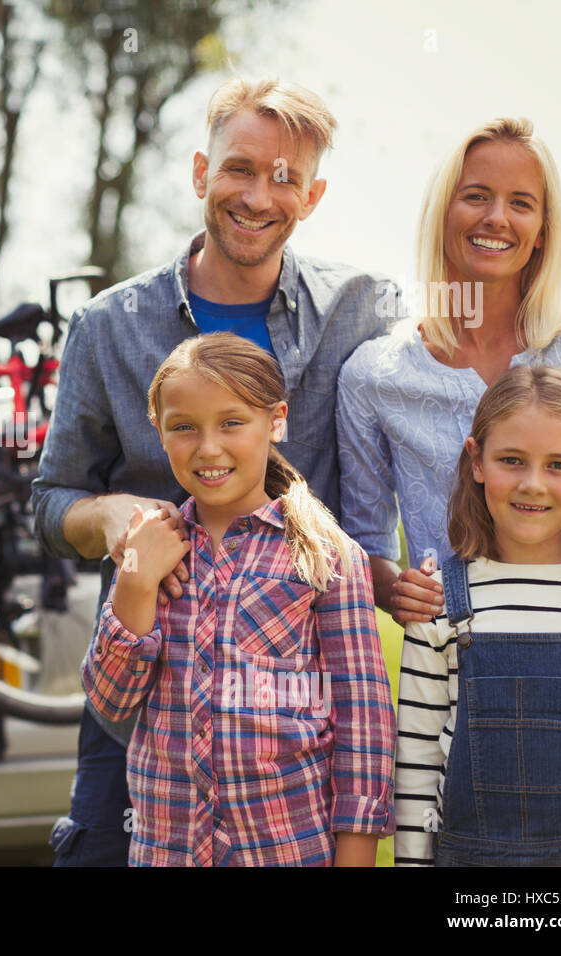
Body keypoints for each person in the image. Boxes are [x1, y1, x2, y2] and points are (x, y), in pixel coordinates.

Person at [34, 77, 561, 867]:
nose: (258, 196)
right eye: (239, 169)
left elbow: (485, 334)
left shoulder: (359, 309)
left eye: (284, 178)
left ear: (312, 196)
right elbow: (53, 499)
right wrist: (112, 518)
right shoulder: (110, 327)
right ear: (198, 173)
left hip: (299, 719)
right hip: (154, 679)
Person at [81, 332, 395, 866]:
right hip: (168, 851)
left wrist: (357, 854)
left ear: (276, 420)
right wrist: (136, 582)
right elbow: (111, 702)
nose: (208, 448)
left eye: (231, 422)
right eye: (184, 427)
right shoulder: (150, 548)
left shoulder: (326, 556)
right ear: (158, 432)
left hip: (288, 849)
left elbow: (363, 717)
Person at [338, 118, 561, 634]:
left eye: (521, 203)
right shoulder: (373, 376)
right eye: (476, 196)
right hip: (457, 664)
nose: (497, 218)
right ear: (442, 212)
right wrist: (396, 591)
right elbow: (366, 543)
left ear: (543, 230)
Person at [394, 366, 561, 866]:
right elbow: (416, 768)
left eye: (560, 465)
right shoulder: (436, 606)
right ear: (476, 460)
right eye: (511, 460)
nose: (533, 484)